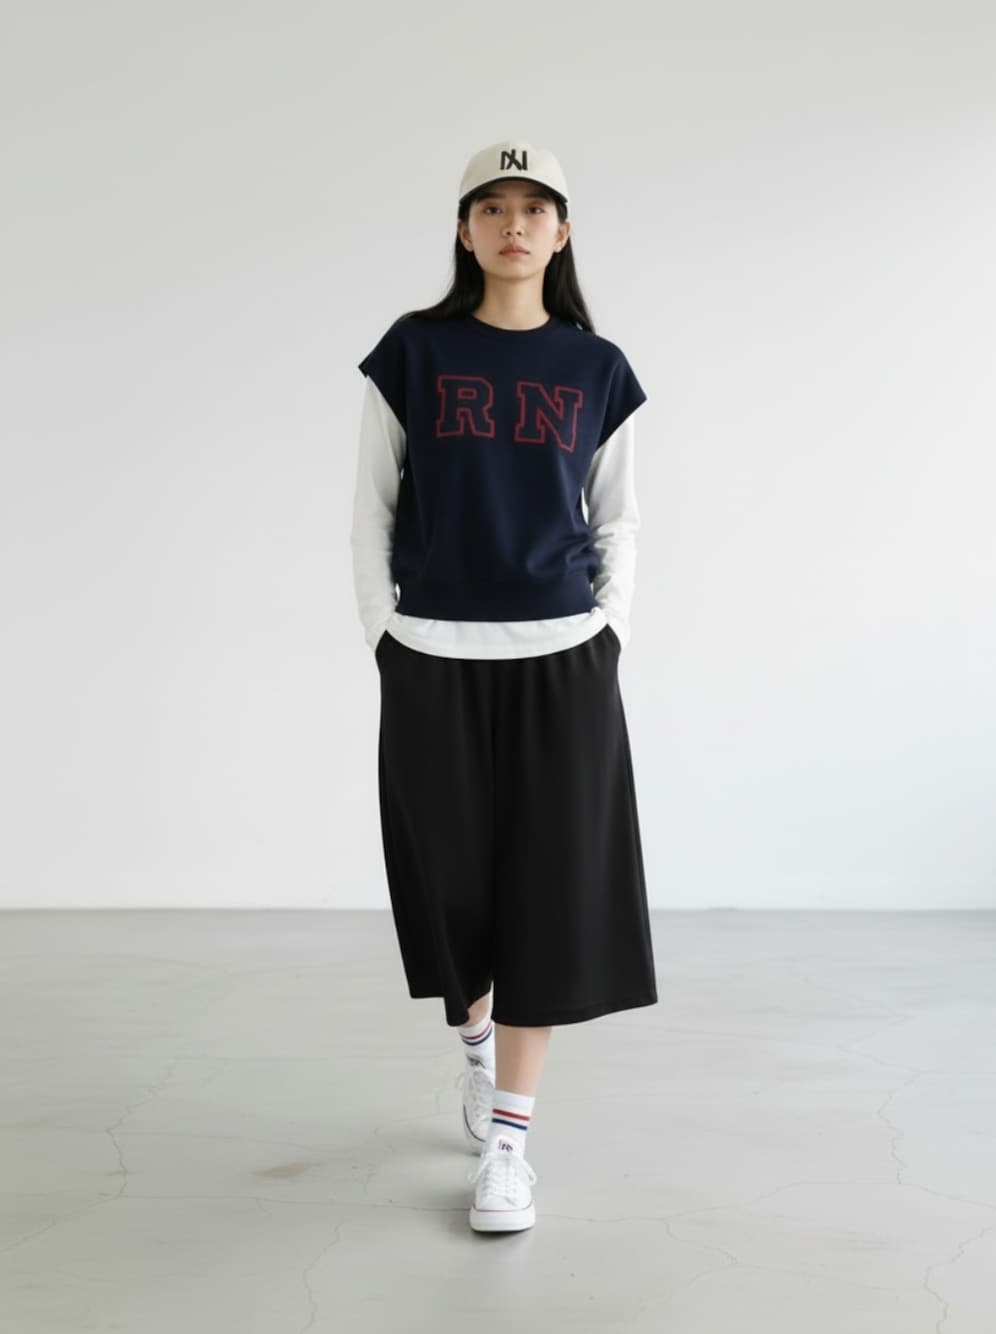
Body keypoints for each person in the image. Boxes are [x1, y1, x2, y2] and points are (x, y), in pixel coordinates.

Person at [350, 138, 658, 1234]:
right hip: (432, 653)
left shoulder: (596, 366)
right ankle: (474, 1045)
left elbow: (617, 517)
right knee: (452, 887)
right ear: (464, 229)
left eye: (535, 207)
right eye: (492, 206)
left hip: (563, 657)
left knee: (549, 893)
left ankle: (511, 1146)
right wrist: (385, 636)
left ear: (562, 233)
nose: (513, 224)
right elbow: (371, 508)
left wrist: (608, 632)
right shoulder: (414, 351)